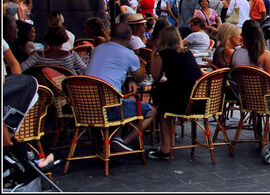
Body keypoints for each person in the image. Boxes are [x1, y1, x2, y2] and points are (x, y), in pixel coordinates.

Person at [84, 23, 155, 153]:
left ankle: (104, 141)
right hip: (110, 109)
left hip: (84, 108)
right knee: (152, 111)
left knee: (118, 100)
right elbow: (140, 77)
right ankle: (122, 141)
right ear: (129, 39)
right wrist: (133, 78)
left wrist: (129, 79)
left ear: (110, 34)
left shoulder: (97, 49)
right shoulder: (129, 54)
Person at [146, 25, 204, 161]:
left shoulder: (163, 55)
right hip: (200, 100)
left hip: (183, 102)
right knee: (165, 96)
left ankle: (166, 147)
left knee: (162, 108)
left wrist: (153, 53)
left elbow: (155, 77)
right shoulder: (187, 53)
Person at [19, 26, 87, 74]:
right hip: (69, 90)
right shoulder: (72, 55)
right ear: (64, 39)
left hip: (46, 91)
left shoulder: (37, 56)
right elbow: (86, 70)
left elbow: (21, 68)